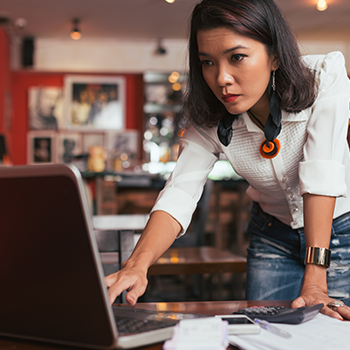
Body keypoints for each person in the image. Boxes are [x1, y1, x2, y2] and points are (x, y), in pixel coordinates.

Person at [106, 0, 350, 321]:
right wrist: (137, 264)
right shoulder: (208, 117)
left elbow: (321, 171)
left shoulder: (323, 77)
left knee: (332, 338)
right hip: (271, 235)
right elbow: (179, 192)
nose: (221, 78)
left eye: (237, 57)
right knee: (265, 334)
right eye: (207, 62)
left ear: (274, 55)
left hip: (337, 233)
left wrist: (316, 277)